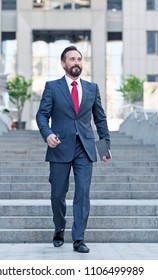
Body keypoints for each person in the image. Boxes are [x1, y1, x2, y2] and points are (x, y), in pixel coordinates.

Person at [36, 46, 111, 253]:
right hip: (59, 146)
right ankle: (59, 227)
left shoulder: (92, 88)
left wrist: (104, 146)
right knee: (57, 193)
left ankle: (78, 239)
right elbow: (42, 115)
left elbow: (100, 118)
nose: (76, 62)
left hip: (85, 149)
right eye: (72, 59)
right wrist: (47, 133)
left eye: (79, 58)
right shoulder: (52, 87)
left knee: (83, 193)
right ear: (63, 63)